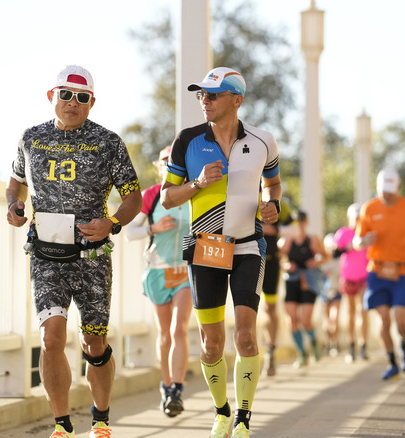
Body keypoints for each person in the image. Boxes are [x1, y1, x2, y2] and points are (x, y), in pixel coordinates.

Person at [6, 65, 142, 438]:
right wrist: (14, 206)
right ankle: (62, 425)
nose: (72, 103)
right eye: (65, 95)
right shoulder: (31, 138)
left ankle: (101, 420)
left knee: (93, 342)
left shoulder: (108, 142)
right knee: (51, 337)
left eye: (82, 97)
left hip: (92, 258)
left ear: (92, 102)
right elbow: (15, 182)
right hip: (46, 255)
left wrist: (112, 223)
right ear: (52, 96)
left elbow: (133, 198)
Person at [159, 67, 282, 438]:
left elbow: (273, 184)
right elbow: (167, 198)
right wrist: (197, 183)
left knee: (245, 336)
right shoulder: (187, 140)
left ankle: (243, 418)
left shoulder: (263, 141)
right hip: (206, 247)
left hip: (248, 246)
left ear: (236, 100)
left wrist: (273, 204)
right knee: (211, 345)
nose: (205, 101)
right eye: (201, 95)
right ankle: (222, 412)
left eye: (212, 95)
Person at [125, 146, 193, 417]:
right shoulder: (151, 195)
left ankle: (177, 388)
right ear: (159, 165)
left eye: (175, 162)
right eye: (165, 161)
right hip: (157, 272)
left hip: (185, 271)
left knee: (179, 329)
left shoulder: (192, 193)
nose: (169, 165)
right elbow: (129, 232)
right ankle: (166, 386)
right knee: (164, 335)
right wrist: (153, 228)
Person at [354, 168, 405, 381]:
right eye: (383, 190)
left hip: (402, 271)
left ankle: (404, 345)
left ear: (398, 188)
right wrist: (363, 241)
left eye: (390, 190)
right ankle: (392, 362)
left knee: (401, 319)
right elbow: (357, 241)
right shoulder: (369, 208)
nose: (387, 194)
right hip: (377, 272)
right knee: (384, 320)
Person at [279, 211, 328, 368]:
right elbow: (279, 260)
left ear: (306, 223)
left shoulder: (313, 239)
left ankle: (313, 343)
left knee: (305, 320)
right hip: (292, 281)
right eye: (296, 221)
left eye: (301, 221)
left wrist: (315, 261)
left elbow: (325, 256)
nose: (299, 224)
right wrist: (286, 265)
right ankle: (302, 353)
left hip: (309, 282)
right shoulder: (286, 241)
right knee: (292, 319)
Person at [333, 203, 370, 363]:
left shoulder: (367, 234)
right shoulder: (343, 233)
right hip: (348, 277)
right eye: (355, 217)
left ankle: (363, 346)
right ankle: (351, 346)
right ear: (349, 218)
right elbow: (335, 253)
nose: (357, 220)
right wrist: (349, 246)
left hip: (365, 277)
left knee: (363, 310)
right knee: (351, 313)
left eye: (359, 218)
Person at [259, 199, 292, 377]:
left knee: (270, 308)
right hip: (245, 260)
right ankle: (249, 353)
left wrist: (276, 231)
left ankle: (270, 350)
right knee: (246, 308)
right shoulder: (238, 192)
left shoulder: (279, 202)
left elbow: (295, 229)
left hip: (271, 261)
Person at [319, 233, 343, 357]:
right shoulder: (320, 261)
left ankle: (335, 343)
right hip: (324, 294)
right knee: (327, 321)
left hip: (337, 291)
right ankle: (329, 343)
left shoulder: (339, 260)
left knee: (334, 319)